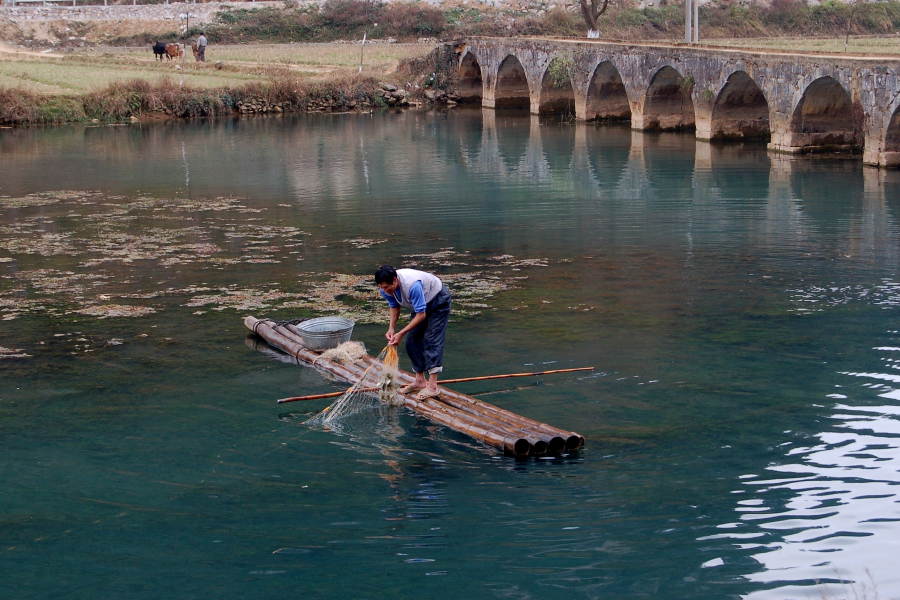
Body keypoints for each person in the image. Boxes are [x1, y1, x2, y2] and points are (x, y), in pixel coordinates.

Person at [375, 265, 451, 400]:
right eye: (382, 287)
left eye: (387, 286)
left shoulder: (412, 285)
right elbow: (394, 307)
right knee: (412, 340)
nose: (385, 290)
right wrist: (392, 328)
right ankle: (420, 381)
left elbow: (421, 315)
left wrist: (400, 333)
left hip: (438, 300)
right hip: (423, 303)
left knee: (431, 340)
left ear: (395, 280)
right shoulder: (385, 290)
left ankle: (432, 386)